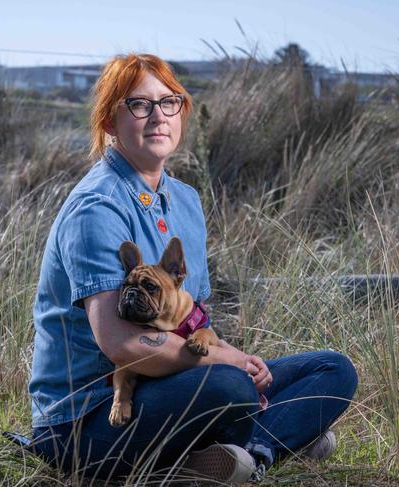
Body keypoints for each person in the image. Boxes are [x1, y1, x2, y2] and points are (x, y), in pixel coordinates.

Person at [27, 53, 358, 484]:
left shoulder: (184, 200)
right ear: (110, 122)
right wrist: (229, 361)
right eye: (138, 105)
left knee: (332, 371)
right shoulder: (98, 207)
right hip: (87, 417)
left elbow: (193, 318)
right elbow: (123, 345)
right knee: (231, 386)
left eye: (170, 102)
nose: (157, 116)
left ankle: (248, 451)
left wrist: (229, 358)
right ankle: (274, 436)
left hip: (166, 389)